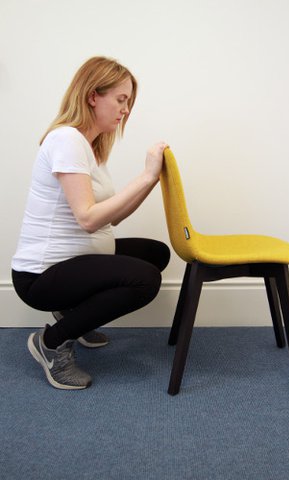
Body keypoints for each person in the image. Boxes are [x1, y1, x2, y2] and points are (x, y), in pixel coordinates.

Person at [11, 56, 170, 390]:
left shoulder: (90, 147)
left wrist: (151, 181)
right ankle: (52, 342)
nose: (126, 110)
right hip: (40, 276)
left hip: (72, 263)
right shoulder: (66, 140)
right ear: (92, 96)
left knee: (154, 254)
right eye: (121, 99)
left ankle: (73, 315)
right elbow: (87, 219)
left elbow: (109, 219)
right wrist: (144, 176)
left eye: (129, 102)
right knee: (145, 279)